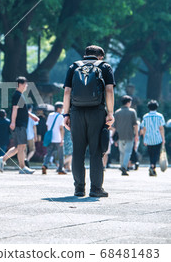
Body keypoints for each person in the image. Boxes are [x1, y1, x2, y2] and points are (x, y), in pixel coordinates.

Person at [63, 45, 115, 197]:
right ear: (100, 56)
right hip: (97, 112)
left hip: (76, 112)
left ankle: (79, 188)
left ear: (85, 55)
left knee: (78, 151)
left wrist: (66, 115)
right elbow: (109, 90)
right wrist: (110, 113)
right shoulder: (104, 66)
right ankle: (96, 189)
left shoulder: (74, 66)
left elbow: (67, 92)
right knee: (96, 151)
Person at [0, 77, 39, 174]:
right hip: (19, 125)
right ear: (20, 84)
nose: (26, 86)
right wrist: (13, 122)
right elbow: (15, 109)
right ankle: (22, 167)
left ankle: (2, 159)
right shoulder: (17, 95)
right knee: (21, 146)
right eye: (25, 84)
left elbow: (23, 110)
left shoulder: (20, 95)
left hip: (21, 124)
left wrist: (32, 116)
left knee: (17, 147)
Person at [113, 95, 138, 176]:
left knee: (122, 152)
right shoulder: (132, 112)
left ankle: (122, 166)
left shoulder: (117, 112)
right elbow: (135, 125)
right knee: (128, 152)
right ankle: (124, 166)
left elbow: (114, 127)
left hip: (120, 136)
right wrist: (136, 135)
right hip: (130, 135)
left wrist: (114, 138)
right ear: (128, 102)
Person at [140, 100, 166, 176]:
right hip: (157, 138)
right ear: (157, 107)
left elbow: (144, 128)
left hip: (148, 138)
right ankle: (152, 166)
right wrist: (163, 138)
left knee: (151, 154)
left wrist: (144, 138)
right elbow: (161, 128)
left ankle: (152, 166)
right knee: (156, 154)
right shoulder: (160, 116)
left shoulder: (145, 116)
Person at [42, 102, 66, 175]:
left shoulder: (50, 115)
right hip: (58, 138)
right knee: (60, 154)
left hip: (51, 138)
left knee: (49, 153)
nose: (62, 110)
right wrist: (62, 139)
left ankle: (45, 165)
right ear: (58, 109)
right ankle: (60, 169)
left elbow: (47, 126)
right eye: (62, 108)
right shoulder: (60, 116)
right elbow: (61, 128)